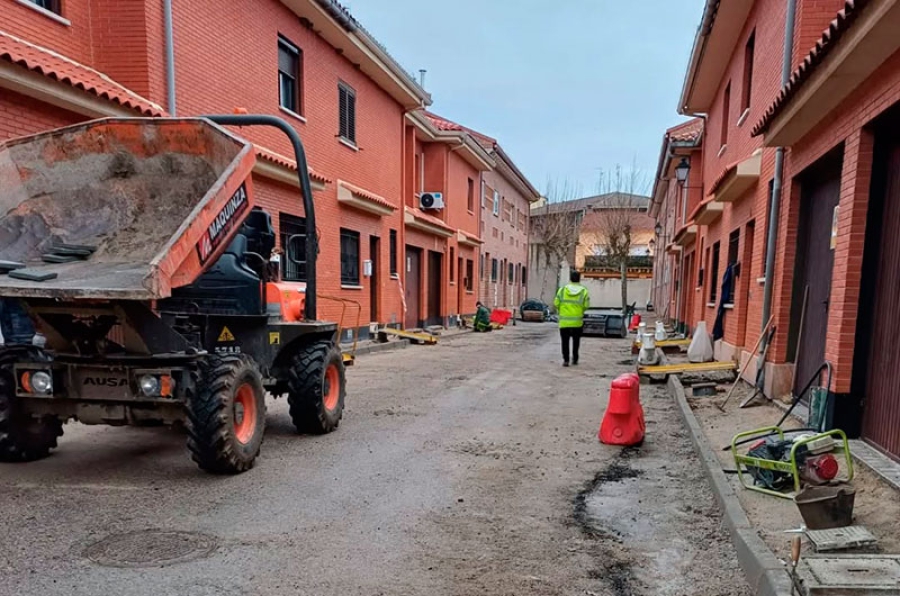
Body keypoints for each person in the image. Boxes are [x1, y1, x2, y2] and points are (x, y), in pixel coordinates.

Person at [554, 271, 590, 367]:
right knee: (576, 340)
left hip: (564, 321)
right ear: (579, 279)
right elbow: (586, 305)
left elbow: (556, 303)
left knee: (565, 341)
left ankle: (566, 360)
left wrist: (562, 310)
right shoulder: (584, 291)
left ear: (570, 278)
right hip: (577, 321)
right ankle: (575, 358)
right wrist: (579, 310)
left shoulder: (562, 290)